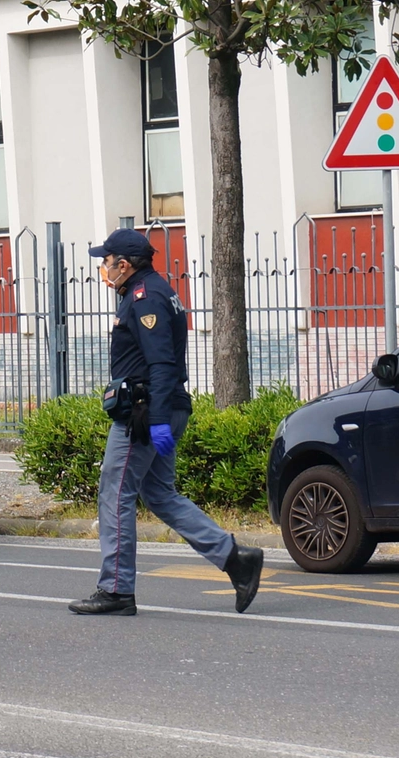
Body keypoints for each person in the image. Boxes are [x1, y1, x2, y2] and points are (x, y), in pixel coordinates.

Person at [69, 229, 264, 616]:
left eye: (107, 261)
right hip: (159, 410)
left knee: (115, 493)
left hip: (145, 414)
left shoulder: (146, 298)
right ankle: (235, 559)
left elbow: (162, 363)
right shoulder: (153, 291)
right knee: (159, 494)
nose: (104, 268)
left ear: (124, 265)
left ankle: (116, 590)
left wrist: (155, 420)